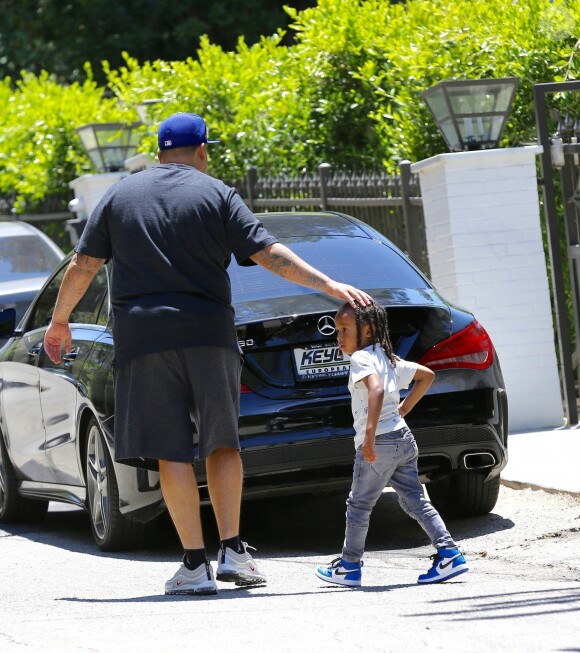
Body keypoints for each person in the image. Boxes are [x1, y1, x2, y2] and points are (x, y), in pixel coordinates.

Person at [43, 112, 371, 596]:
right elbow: (268, 253)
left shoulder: (118, 196)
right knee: (222, 442)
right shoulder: (216, 193)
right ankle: (234, 551)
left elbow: (84, 263)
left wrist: (59, 319)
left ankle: (194, 565)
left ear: (157, 153)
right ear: (202, 150)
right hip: (208, 335)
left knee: (170, 450)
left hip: (144, 340)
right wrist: (328, 285)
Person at [315, 299, 468, 587]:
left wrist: (370, 435)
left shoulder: (361, 359)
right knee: (417, 501)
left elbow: (374, 390)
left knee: (359, 505)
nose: (339, 337)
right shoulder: (388, 358)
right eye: (338, 330)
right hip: (403, 438)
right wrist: (404, 409)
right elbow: (427, 375)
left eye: (345, 330)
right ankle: (450, 554)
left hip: (379, 443)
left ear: (369, 330)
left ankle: (349, 565)